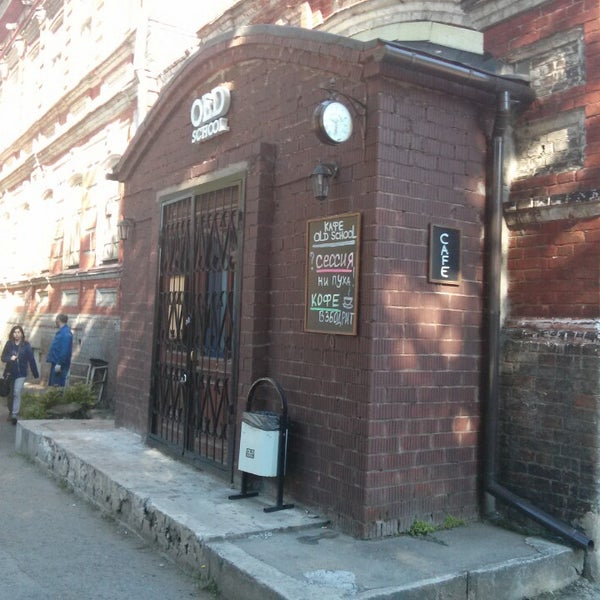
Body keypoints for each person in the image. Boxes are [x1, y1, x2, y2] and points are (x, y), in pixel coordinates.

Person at [1, 325, 40, 424]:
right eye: (15, 332)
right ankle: (11, 411)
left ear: (22, 334)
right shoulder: (9, 344)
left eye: (18, 332)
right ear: (12, 334)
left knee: (16, 392)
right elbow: (3, 357)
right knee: (10, 394)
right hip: (9, 373)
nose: (17, 334)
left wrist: (35, 374)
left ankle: (14, 414)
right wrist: (10, 358)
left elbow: (31, 359)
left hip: (21, 374)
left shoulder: (26, 345)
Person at [46, 313, 73, 387]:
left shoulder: (65, 333)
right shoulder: (62, 332)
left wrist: (59, 363)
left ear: (58, 320)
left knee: (58, 386)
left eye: (56, 320)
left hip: (60, 365)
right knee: (55, 386)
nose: (55, 321)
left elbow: (65, 350)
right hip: (56, 362)